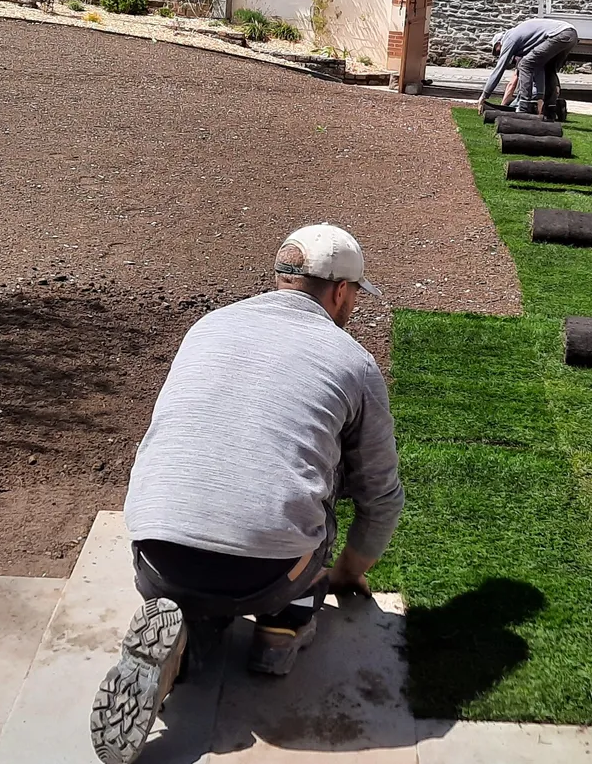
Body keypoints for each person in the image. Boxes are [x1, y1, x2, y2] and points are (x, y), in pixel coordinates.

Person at [91, 224, 404, 764]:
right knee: (321, 499)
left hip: (153, 551)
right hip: (265, 573)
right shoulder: (353, 362)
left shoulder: (209, 326)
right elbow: (381, 495)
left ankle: (185, 628)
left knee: (209, 501)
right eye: (354, 293)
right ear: (339, 292)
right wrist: (348, 575)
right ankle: (282, 629)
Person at [478, 16, 579, 118]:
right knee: (548, 68)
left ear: (499, 43)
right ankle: (549, 111)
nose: (499, 53)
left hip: (560, 34)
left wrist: (484, 95)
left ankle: (523, 107)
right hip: (571, 34)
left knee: (525, 64)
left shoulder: (509, 38)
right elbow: (539, 67)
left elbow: (499, 69)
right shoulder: (527, 41)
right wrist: (540, 97)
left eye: (498, 51)